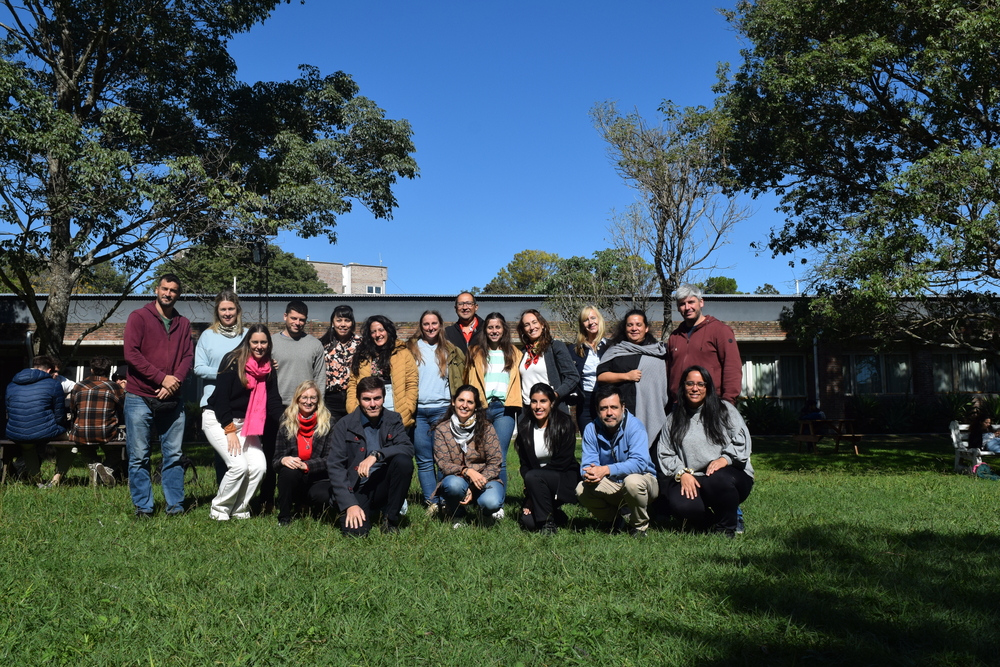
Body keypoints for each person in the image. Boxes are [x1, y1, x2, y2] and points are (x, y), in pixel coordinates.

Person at [123, 273, 193, 518]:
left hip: (173, 398)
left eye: (173, 290)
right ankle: (144, 507)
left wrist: (174, 382)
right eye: (165, 288)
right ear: (156, 289)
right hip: (138, 397)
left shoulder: (183, 323)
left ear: (178, 294)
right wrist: (161, 378)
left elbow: (187, 357)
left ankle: (175, 506)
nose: (168, 293)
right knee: (139, 455)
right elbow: (131, 354)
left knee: (173, 455)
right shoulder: (138, 317)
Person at [657, 365, 754, 537]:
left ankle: (727, 528)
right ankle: (711, 521)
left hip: (729, 476)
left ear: (708, 387)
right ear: (683, 386)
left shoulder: (724, 410)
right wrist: (682, 473)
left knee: (716, 479)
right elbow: (665, 452)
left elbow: (742, 439)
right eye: (690, 384)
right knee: (682, 507)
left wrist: (725, 459)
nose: (695, 388)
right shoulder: (674, 419)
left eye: (701, 384)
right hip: (693, 477)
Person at [204, 324, 283, 521]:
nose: (259, 346)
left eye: (263, 342)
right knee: (238, 466)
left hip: (247, 425)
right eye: (255, 342)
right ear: (248, 342)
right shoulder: (232, 361)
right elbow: (221, 398)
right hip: (219, 420)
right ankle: (219, 509)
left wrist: (289, 421)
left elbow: (273, 402)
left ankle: (239, 508)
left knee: (258, 467)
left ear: (269, 344)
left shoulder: (268, 368)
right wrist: (229, 430)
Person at [327, 376, 414, 537]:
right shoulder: (344, 425)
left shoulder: (393, 419)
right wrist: (349, 504)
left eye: (377, 398)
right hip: (357, 487)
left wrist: (377, 455)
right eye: (367, 399)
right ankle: (362, 508)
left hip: (382, 483)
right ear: (359, 400)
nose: (373, 404)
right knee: (356, 534)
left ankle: (390, 519)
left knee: (403, 462)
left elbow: (407, 447)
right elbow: (335, 467)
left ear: (383, 398)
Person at [264, 300, 326, 510]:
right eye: (293, 318)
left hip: (307, 408)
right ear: (285, 317)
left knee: (305, 455)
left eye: (301, 320)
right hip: (278, 408)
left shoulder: (314, 345)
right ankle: (267, 499)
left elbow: (320, 379)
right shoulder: (271, 343)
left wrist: (318, 406)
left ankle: (300, 500)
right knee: (274, 455)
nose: (297, 323)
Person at [577, 384, 659, 537]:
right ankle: (615, 521)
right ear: (597, 410)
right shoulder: (591, 429)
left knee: (632, 482)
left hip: (644, 482)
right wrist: (590, 473)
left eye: (614, 407)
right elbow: (587, 465)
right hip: (612, 484)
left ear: (623, 407)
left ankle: (639, 527)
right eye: (603, 408)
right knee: (581, 489)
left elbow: (639, 463)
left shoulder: (635, 427)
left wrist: (605, 469)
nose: (609, 413)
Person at [406, 310, 466, 508]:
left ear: (440, 325)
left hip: (442, 410)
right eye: (426, 324)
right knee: (423, 460)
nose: (430, 327)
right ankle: (431, 502)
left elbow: (459, 378)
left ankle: (444, 501)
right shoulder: (410, 349)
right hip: (419, 412)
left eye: (434, 323)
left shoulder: (451, 350)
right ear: (420, 326)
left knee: (443, 458)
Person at [193, 290, 248, 484]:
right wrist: (226, 373)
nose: (227, 313)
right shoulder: (207, 336)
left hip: (241, 402)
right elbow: (198, 368)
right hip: (214, 402)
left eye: (231, 309)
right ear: (217, 311)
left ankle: (241, 499)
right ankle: (222, 497)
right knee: (223, 455)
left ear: (237, 310)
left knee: (242, 454)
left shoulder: (247, 335)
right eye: (223, 309)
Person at [596, 309, 670, 449]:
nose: (634, 328)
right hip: (622, 411)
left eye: (638, 324)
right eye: (630, 325)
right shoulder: (615, 350)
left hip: (651, 409)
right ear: (625, 328)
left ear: (646, 328)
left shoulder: (658, 352)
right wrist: (626, 376)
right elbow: (601, 376)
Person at [432, 385, 504, 526]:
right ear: (454, 402)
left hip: (485, 479)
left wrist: (474, 486)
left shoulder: (487, 428)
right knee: (452, 485)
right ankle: (457, 513)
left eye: (470, 402)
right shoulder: (442, 429)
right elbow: (443, 464)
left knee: (491, 502)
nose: (464, 405)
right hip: (458, 480)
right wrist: (467, 471)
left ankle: (485, 514)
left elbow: (495, 462)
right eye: (461, 400)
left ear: (476, 405)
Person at [465, 312, 523, 487]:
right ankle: (478, 493)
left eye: (498, 327)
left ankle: (498, 500)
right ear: (485, 330)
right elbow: (466, 380)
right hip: (481, 408)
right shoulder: (474, 352)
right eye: (490, 327)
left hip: (504, 409)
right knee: (478, 454)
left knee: (499, 456)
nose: (494, 330)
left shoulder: (515, 353)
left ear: (504, 329)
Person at [515, 382, 580, 535]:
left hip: (563, 477)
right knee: (528, 522)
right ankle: (557, 516)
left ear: (552, 402)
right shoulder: (525, 426)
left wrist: (534, 480)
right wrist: (532, 488)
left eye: (543, 401)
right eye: (534, 401)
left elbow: (563, 461)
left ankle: (548, 524)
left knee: (533, 477)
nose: (538, 406)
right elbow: (525, 465)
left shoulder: (564, 423)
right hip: (536, 481)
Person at [667, 284, 743, 406]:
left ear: (701, 302)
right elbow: (669, 372)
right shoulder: (674, 337)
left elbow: (732, 367)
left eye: (691, 302)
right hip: (679, 406)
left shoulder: (720, 331)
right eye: (682, 304)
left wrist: (728, 402)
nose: (687, 307)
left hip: (711, 404)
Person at [274, 380, 335, 526]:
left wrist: (306, 466)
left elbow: (330, 459)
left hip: (319, 477)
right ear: (297, 399)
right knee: (288, 472)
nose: (308, 402)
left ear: (318, 401)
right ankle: (284, 518)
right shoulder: (286, 421)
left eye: (313, 398)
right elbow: (276, 459)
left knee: (323, 496)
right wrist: (283, 460)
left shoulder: (329, 423)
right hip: (295, 475)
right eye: (304, 397)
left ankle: (312, 509)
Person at [61, 356, 125, 488]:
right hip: (107, 432)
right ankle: (107, 469)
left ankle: (95, 465)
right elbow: (124, 409)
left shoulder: (78, 386)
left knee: (85, 449)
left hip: (81, 432)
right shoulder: (115, 387)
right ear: (109, 370)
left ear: (91, 370)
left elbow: (73, 409)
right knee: (118, 450)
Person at [346, 315, 418, 429]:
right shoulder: (363, 355)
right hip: (369, 406)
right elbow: (353, 383)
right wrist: (352, 407)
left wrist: (408, 408)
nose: (378, 334)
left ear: (388, 331)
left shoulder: (403, 353)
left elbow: (412, 383)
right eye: (373, 332)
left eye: (381, 330)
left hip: (396, 406)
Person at [3, 355, 66, 482]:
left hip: (15, 431)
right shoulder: (54, 384)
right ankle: (56, 479)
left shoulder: (11, 384)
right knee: (71, 444)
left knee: (28, 448)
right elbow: (60, 415)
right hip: (45, 431)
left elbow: (9, 410)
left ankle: (36, 480)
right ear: (49, 370)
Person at [517, 309, 580, 413]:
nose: (532, 327)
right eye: (527, 325)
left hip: (553, 409)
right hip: (528, 411)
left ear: (542, 324)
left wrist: (555, 394)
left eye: (534, 322)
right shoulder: (522, 353)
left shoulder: (555, 347)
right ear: (523, 330)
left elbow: (573, 376)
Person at [566, 305, 609, 435]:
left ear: (599, 320)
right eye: (586, 320)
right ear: (582, 324)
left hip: (606, 399)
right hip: (585, 401)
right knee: (589, 441)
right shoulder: (574, 350)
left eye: (593, 318)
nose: (590, 322)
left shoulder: (612, 347)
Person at [318, 305, 361, 422]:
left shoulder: (361, 344)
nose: (343, 324)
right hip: (330, 399)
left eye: (347, 320)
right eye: (339, 320)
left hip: (354, 397)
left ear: (352, 323)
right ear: (333, 322)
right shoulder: (322, 344)